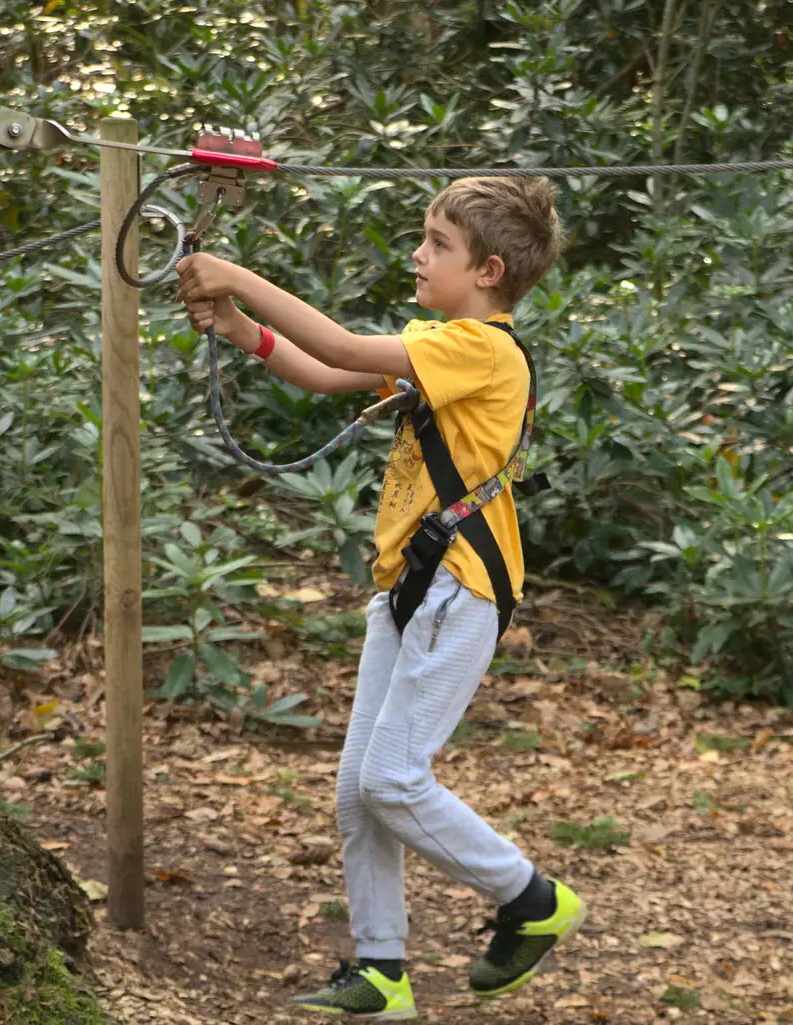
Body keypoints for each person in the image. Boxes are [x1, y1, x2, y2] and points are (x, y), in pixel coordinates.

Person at [176, 175, 583, 1020]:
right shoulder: (445, 345)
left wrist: (234, 275)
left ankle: (531, 897)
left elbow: (343, 345)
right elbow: (325, 373)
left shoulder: (484, 349)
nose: (418, 254)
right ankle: (382, 967)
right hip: (410, 587)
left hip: (463, 590)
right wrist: (241, 328)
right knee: (358, 785)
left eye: (438, 244)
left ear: (490, 270)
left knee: (394, 779)